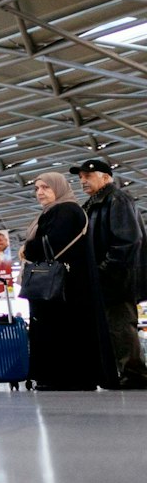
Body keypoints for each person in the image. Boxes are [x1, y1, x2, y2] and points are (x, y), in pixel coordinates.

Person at [22, 172, 111, 391]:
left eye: (46, 187)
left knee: (62, 329)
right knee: (65, 329)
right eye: (37, 188)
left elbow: (51, 243)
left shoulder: (66, 210)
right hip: (66, 284)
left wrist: (27, 249)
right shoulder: (58, 211)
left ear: (59, 188)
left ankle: (64, 377)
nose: (40, 192)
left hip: (65, 288)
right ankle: (64, 376)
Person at [73, 160, 147, 389]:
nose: (83, 180)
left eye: (88, 175)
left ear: (106, 177)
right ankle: (119, 374)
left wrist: (104, 270)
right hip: (106, 278)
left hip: (118, 279)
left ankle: (134, 375)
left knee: (121, 325)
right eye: (81, 177)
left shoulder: (117, 199)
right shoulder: (92, 204)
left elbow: (128, 241)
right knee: (112, 327)